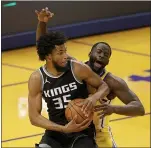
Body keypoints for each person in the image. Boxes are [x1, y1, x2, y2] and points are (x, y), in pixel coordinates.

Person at [34, 7, 145, 147]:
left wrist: (114, 109)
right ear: (89, 54)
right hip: (76, 132)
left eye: (105, 55)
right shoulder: (76, 68)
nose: (101, 55)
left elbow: (139, 108)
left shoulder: (112, 81)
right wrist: (42, 23)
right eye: (98, 52)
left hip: (100, 138)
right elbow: (45, 48)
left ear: (108, 62)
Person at [28, 8, 110, 148]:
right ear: (48, 56)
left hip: (82, 132)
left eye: (65, 51)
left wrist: (93, 98)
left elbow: (104, 86)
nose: (65, 55)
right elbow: (34, 117)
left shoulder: (77, 68)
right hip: (55, 132)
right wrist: (63, 129)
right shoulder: (37, 78)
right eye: (61, 52)